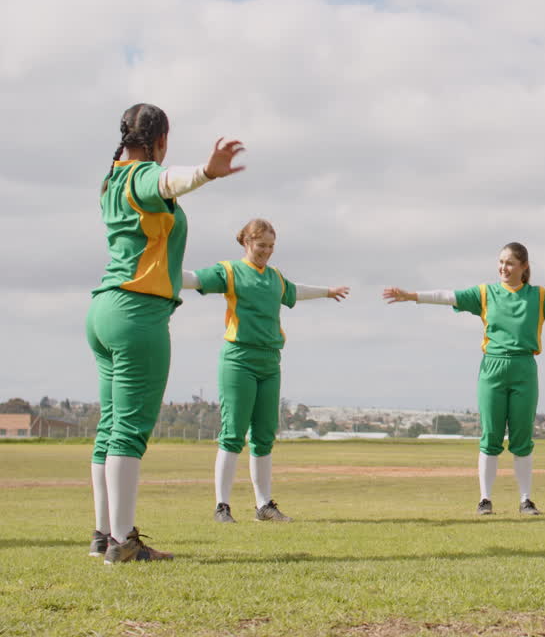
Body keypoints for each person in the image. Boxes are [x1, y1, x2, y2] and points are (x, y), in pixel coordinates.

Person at [87, 103, 244, 563]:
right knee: (128, 433)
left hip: (103, 310)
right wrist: (206, 172)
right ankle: (123, 543)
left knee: (109, 428)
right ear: (161, 141)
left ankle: (103, 537)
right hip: (137, 313)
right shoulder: (139, 175)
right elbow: (164, 181)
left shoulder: (109, 180)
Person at [383, 242, 545, 515]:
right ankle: (485, 499)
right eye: (501, 262)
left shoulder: (539, 297)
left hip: (524, 367)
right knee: (490, 435)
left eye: (510, 263)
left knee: (521, 437)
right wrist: (411, 296)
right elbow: (448, 296)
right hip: (491, 367)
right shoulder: (485, 293)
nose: (504, 267)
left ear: (524, 267)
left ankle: (526, 500)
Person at [183, 218, 349, 524]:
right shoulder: (230, 271)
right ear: (247, 243)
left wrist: (328, 291)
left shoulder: (275, 277)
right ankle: (222, 506)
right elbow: (193, 278)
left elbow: (294, 290)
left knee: (263, 435)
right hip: (239, 359)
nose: (266, 252)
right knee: (233, 434)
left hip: (271, 361)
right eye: (261, 246)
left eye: (271, 246)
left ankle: (264, 506)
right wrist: (155, 273)